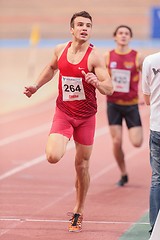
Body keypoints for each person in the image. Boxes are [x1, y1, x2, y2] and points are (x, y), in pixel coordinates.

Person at [24, 11, 113, 232]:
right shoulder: (60, 49)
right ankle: (63, 141)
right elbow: (52, 68)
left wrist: (97, 83)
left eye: (89, 25)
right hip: (64, 113)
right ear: (71, 29)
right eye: (80, 25)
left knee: (81, 166)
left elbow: (109, 87)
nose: (85, 28)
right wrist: (36, 86)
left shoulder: (95, 57)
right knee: (53, 156)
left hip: (85, 118)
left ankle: (78, 211)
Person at [104, 25, 143, 186]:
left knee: (137, 142)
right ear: (115, 37)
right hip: (113, 104)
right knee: (116, 141)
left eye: (127, 33)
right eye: (120, 33)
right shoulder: (108, 56)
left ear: (130, 37)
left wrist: (146, 94)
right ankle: (123, 173)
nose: (123, 36)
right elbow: (103, 76)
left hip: (131, 105)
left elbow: (148, 75)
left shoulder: (137, 57)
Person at [142, 52, 160, 235]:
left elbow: (146, 98)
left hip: (157, 127)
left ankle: (155, 227)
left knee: (157, 178)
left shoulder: (150, 60)